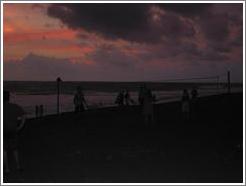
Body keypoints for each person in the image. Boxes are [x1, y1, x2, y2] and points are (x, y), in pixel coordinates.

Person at [3, 91, 26, 173]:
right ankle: (18, 166)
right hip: (13, 130)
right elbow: (23, 116)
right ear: (8, 97)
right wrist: (20, 126)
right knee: (15, 149)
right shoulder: (14, 106)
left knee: (4, 150)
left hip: (3, 130)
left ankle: (7, 168)